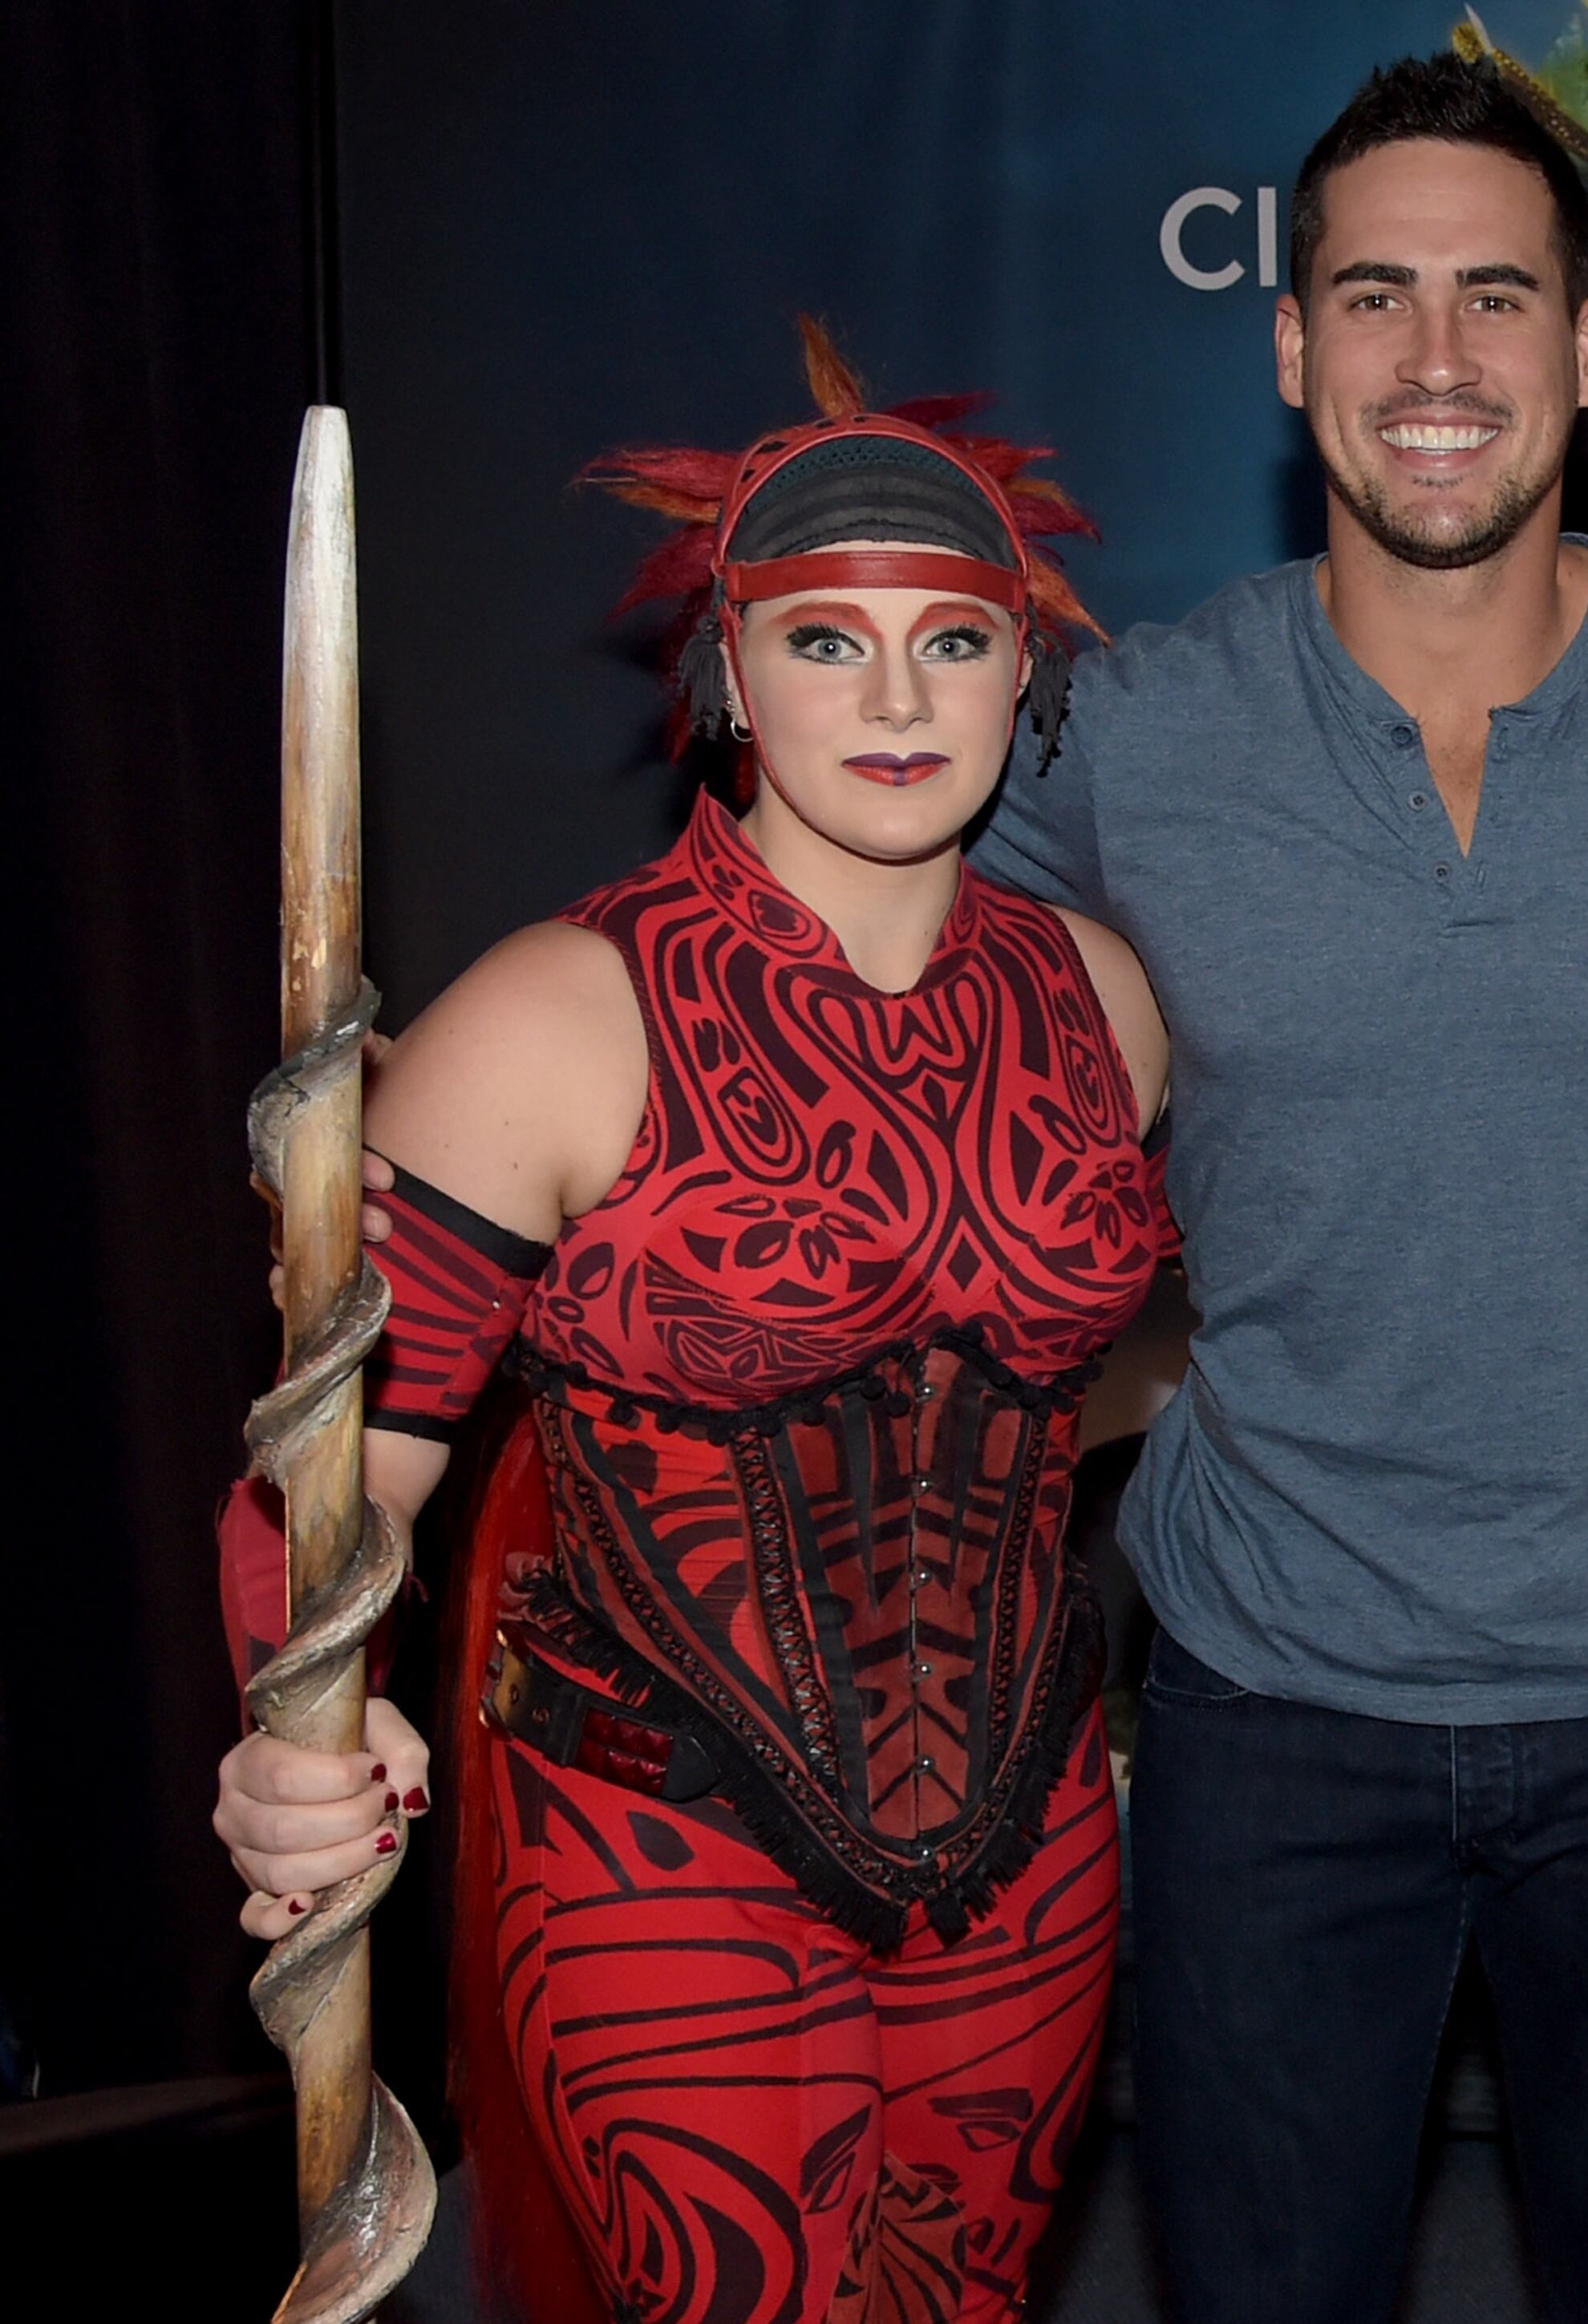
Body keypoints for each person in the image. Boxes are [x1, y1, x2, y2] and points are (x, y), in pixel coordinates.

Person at [965, 55, 1588, 2324]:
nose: (1440, 361)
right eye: (1375, 298)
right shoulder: (1133, 735)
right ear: (1293, 352)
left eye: (1498, 297)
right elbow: (865, 984)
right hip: (1270, 1699)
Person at [209, 326, 1172, 2324]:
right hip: (660, 1849)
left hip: (1036, 1850)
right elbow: (318, 1491)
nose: (897, 696)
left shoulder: (1105, 1004)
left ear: (1030, 668)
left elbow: (1070, 1387)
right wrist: (304, 1727)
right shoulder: (549, 1022)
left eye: (955, 639)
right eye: (827, 640)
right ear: (732, 670)